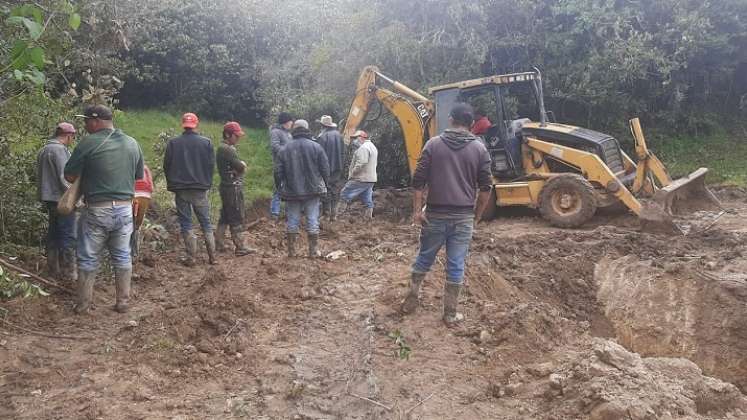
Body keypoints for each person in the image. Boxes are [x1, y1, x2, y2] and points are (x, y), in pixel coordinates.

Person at [401, 103, 492, 324]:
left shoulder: (433, 145)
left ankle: (412, 297)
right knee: (456, 263)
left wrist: (416, 212)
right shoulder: (479, 149)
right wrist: (477, 215)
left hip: (435, 214)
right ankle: (450, 313)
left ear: (450, 120)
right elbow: (486, 188)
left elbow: (418, 182)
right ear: (471, 124)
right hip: (462, 218)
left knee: (424, 257)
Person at [64, 105, 144, 314]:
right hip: (125, 210)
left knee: (88, 256)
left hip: (97, 210)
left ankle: (83, 305)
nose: (84, 125)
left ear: (95, 121)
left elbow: (70, 176)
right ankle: (123, 302)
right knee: (122, 255)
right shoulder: (132, 143)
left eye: (86, 121)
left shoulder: (89, 142)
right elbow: (138, 176)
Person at [163, 112, 216, 266]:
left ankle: (191, 258)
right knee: (205, 222)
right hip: (200, 189)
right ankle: (212, 257)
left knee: (186, 223)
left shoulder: (173, 143)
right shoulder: (206, 143)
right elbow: (211, 165)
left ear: (183, 125)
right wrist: (206, 183)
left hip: (181, 190)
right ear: (196, 124)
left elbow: (167, 165)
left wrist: (172, 183)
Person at [274, 120, 330, 257]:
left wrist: (280, 186)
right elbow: (325, 169)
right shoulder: (316, 147)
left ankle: (292, 252)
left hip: (291, 191)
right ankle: (312, 252)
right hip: (312, 191)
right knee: (312, 220)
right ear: (307, 129)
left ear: (294, 130)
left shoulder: (285, 149)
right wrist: (326, 184)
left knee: (292, 221)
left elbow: (277, 172)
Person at [37, 122, 78, 282]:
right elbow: (64, 177)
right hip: (62, 200)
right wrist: (76, 198)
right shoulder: (59, 150)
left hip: (49, 199)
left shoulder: (44, 149)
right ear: (68, 136)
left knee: (53, 232)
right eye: (72, 137)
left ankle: (53, 268)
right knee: (68, 234)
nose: (72, 140)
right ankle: (69, 273)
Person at [215, 121, 256, 256]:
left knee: (225, 216)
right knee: (236, 216)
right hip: (232, 188)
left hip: (226, 186)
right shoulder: (228, 150)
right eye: (236, 136)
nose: (237, 139)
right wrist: (242, 165)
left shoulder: (222, 148)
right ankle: (240, 247)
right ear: (227, 134)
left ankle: (219, 243)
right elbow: (241, 167)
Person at [336, 130, 378, 220]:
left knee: (344, 194)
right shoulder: (372, 146)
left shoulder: (363, 148)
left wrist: (353, 173)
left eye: (355, 138)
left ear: (360, 138)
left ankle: (338, 216)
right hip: (370, 179)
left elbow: (361, 163)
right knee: (366, 198)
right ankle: (368, 217)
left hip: (360, 178)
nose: (354, 141)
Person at [315, 115, 344, 221]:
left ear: (323, 125)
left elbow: (319, 155)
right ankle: (334, 214)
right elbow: (342, 152)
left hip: (326, 168)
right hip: (338, 167)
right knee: (335, 189)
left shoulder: (322, 137)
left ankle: (326, 214)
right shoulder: (339, 135)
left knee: (325, 189)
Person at [269, 112, 294, 221]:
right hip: (280, 165)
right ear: (286, 122)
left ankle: (289, 213)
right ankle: (275, 213)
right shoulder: (276, 132)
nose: (292, 123)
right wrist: (288, 151)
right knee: (279, 188)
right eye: (290, 121)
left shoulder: (288, 133)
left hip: (290, 166)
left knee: (289, 189)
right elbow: (275, 146)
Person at [131, 164, 153, 260]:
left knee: (128, 224)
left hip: (131, 194)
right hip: (145, 194)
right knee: (137, 226)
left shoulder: (127, 165)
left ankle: (128, 252)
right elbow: (151, 187)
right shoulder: (146, 167)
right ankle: (135, 253)